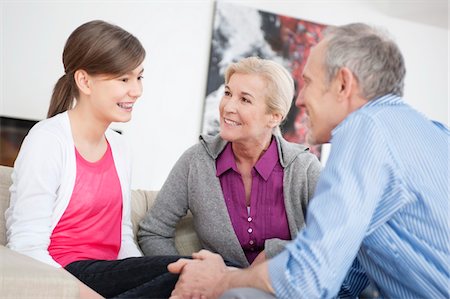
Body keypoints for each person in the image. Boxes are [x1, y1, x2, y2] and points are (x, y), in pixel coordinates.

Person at [167, 23, 450, 299]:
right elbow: (350, 267)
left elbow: (306, 278)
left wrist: (223, 280)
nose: (300, 100)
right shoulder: (434, 133)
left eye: (309, 83)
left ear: (343, 84)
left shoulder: (364, 128)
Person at [5, 20, 180, 299]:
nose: (136, 90)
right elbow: (26, 246)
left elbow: (121, 237)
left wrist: (140, 275)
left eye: (139, 77)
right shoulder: (47, 140)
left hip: (108, 276)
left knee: (203, 276)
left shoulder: (120, 147)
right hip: (65, 275)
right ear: (84, 81)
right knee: (188, 272)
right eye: (124, 79)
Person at [138, 57, 321, 268]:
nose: (228, 107)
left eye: (245, 100)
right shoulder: (196, 161)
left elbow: (337, 238)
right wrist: (186, 271)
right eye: (227, 93)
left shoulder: (304, 168)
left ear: (274, 117)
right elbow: (153, 231)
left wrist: (276, 252)